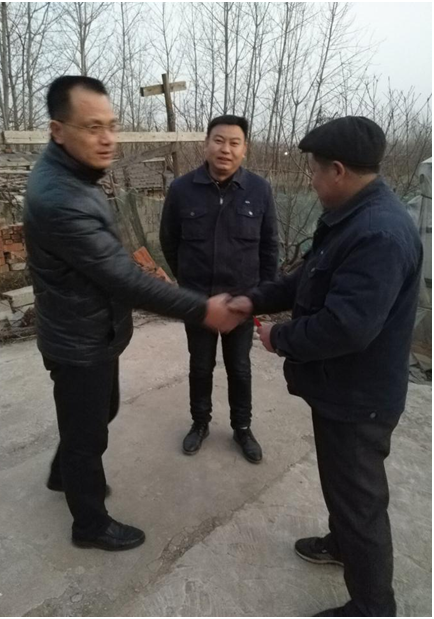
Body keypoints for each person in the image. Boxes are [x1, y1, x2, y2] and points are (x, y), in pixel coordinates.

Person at [23, 76, 243, 552]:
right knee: (87, 436)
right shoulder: (60, 198)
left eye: (111, 125)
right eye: (92, 127)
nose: (107, 139)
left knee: (100, 413)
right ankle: (89, 525)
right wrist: (201, 308)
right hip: (78, 342)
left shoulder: (74, 175)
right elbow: (123, 278)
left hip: (92, 331)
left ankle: (63, 473)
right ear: (57, 130)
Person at [229, 116, 422, 616]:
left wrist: (280, 338)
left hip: (359, 399)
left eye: (315, 171)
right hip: (340, 389)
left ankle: (373, 606)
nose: (311, 180)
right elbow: (306, 279)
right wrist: (253, 300)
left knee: (360, 504)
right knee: (343, 487)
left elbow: (346, 327)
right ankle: (342, 546)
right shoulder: (350, 218)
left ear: (338, 170)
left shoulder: (378, 233)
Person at [159, 115, 279, 463]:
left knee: (239, 368)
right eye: (219, 140)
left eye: (234, 142)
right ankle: (200, 423)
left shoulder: (259, 190)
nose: (225, 149)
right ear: (206, 144)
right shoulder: (182, 189)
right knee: (200, 366)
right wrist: (188, 285)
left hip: (242, 301)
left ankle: (242, 428)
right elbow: (169, 241)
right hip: (198, 301)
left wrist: (260, 297)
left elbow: (269, 246)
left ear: (245, 149)